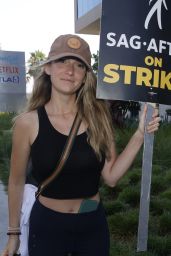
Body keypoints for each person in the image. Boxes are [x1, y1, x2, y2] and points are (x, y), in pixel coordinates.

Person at [2, 34, 160, 256]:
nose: (70, 71)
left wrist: (139, 134)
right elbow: (16, 181)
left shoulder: (98, 118)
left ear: (85, 76)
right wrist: (13, 234)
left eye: (79, 65)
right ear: (47, 68)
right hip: (47, 226)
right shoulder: (27, 123)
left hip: (91, 225)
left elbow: (112, 177)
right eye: (62, 61)